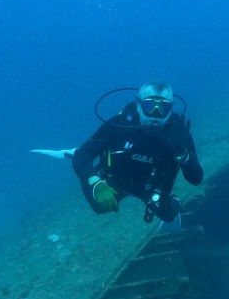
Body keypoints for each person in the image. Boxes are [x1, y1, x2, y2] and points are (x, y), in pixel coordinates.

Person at [71, 81, 203, 224]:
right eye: (149, 106)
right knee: (100, 206)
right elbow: (81, 155)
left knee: (168, 215)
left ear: (170, 109)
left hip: (153, 186)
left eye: (163, 108)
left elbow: (196, 179)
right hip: (118, 180)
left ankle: (174, 201)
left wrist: (182, 154)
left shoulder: (179, 134)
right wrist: (97, 184)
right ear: (138, 106)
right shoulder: (120, 124)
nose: (156, 114)